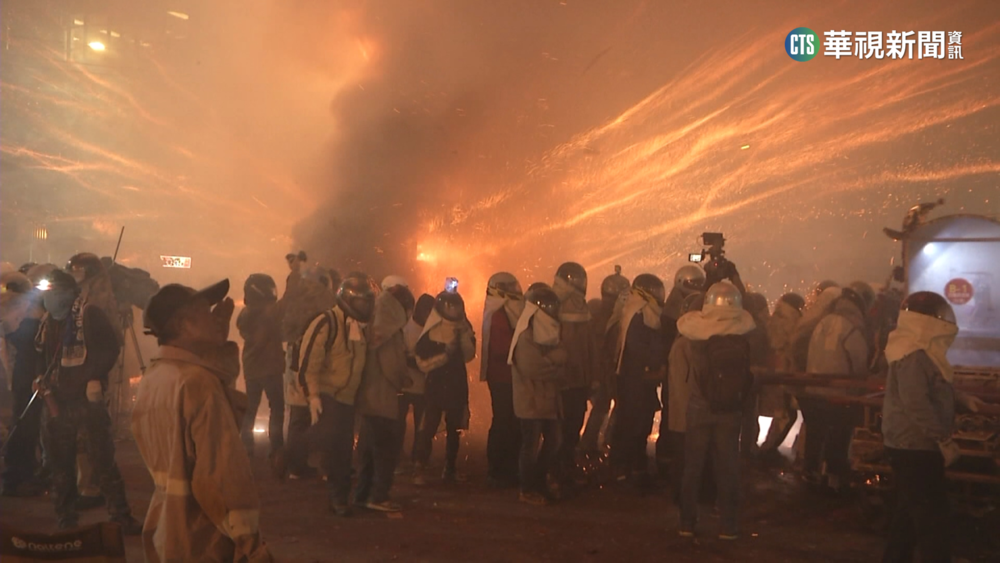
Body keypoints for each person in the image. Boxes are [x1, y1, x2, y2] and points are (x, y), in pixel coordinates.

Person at [132, 279, 271, 561]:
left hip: (167, 529)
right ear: (185, 326)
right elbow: (221, 477)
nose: (215, 316)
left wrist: (217, 347)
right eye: (205, 313)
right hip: (203, 537)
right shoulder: (198, 384)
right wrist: (251, 545)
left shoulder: (156, 376)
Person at [35, 269, 142, 533]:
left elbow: (109, 349)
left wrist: (92, 378)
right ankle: (66, 519)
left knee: (102, 460)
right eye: (47, 294)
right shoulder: (49, 320)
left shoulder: (89, 313)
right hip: (57, 403)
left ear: (71, 292)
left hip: (86, 401)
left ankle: (121, 516)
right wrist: (40, 380)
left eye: (55, 293)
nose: (51, 299)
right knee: (60, 466)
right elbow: (42, 356)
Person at [881, 292, 981, 563]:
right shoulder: (912, 354)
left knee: (909, 515)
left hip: (912, 445)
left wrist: (960, 399)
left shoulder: (918, 350)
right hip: (915, 447)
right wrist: (943, 439)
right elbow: (917, 403)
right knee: (931, 518)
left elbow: (931, 388)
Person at [677, 281, 755, 540]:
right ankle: (728, 526)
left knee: (693, 466)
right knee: (728, 467)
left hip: (700, 406)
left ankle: (687, 522)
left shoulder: (695, 334)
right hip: (730, 410)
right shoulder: (741, 333)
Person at [299, 273, 374, 516]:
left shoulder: (360, 328)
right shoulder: (327, 322)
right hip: (328, 394)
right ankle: (337, 497)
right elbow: (308, 362)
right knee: (335, 446)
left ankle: (339, 498)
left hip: (347, 399)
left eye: (367, 302)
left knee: (340, 449)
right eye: (361, 302)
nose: (365, 307)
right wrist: (312, 396)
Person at [354, 277, 414, 512]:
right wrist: (404, 378)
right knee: (385, 449)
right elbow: (392, 366)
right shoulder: (389, 332)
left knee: (369, 450)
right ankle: (379, 496)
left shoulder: (374, 323)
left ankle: (363, 494)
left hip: (369, 397)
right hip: (382, 397)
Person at [800, 288, 870, 490]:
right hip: (839, 394)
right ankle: (834, 477)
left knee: (816, 433)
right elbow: (859, 363)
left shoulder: (822, 322)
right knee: (839, 434)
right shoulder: (851, 327)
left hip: (813, 391)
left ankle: (810, 471)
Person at [509, 284, 567, 505]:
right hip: (531, 401)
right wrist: (556, 366)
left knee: (554, 441)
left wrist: (552, 362)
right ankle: (527, 488)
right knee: (530, 447)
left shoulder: (550, 333)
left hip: (548, 400)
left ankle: (539, 482)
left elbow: (563, 353)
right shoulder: (525, 336)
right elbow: (534, 367)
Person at [609, 274, 666, 491]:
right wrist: (658, 362)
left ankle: (634, 469)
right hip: (634, 381)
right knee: (631, 425)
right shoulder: (638, 315)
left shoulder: (643, 313)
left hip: (638, 380)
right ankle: (623, 470)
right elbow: (638, 348)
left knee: (639, 425)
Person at [413, 290, 476, 485]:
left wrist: (463, 336)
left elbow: (469, 355)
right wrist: (445, 355)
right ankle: (419, 466)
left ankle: (450, 468)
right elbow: (422, 362)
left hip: (456, 384)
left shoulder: (464, 328)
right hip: (436, 385)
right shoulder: (431, 331)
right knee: (428, 426)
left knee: (454, 428)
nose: (455, 312)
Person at [551, 262, 596, 493]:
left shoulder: (581, 308)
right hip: (565, 380)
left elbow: (588, 347)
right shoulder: (554, 305)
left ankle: (564, 470)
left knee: (571, 428)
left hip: (575, 380)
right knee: (562, 430)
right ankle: (556, 473)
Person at [656, 265, 707, 470]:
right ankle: (668, 461)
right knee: (673, 415)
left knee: (677, 417)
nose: (696, 287)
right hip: (675, 371)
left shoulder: (681, 307)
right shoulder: (670, 314)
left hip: (680, 371)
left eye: (698, 283)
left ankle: (674, 463)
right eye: (691, 283)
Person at [1, 270, 45, 497]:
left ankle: (19, 474)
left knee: (26, 427)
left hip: (27, 377)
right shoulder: (25, 314)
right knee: (24, 428)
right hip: (25, 378)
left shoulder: (26, 314)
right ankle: (19, 475)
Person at [481, 272, 525, 488]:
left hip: (507, 375)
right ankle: (498, 469)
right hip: (503, 376)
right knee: (504, 421)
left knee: (510, 421)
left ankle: (505, 468)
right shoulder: (499, 312)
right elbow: (502, 348)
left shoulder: (504, 309)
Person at [580, 267, 629, 455]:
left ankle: (593, 442)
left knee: (603, 407)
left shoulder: (592, 310)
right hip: (604, 371)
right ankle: (595, 443)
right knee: (604, 406)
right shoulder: (613, 318)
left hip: (597, 371)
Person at [237, 274, 285, 462]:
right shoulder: (268, 312)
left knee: (250, 409)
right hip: (271, 368)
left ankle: (246, 448)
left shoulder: (245, 314)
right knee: (277, 408)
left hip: (252, 368)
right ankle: (276, 448)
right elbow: (285, 304)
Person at [665, 291, 705, 499]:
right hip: (685, 416)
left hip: (688, 414)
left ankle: (684, 495)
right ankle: (680, 495)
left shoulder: (687, 342)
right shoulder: (684, 345)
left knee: (687, 456)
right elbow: (681, 386)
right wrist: (692, 413)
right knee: (683, 457)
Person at [758, 292, 805, 460]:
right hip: (783, 375)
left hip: (771, 373)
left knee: (781, 414)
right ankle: (767, 450)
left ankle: (765, 448)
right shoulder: (793, 322)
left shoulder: (774, 319)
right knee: (785, 414)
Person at [398, 294, 434, 468]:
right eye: (425, 311)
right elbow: (399, 355)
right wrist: (417, 362)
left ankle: (418, 459)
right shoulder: (406, 329)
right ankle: (397, 456)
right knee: (398, 424)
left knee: (422, 426)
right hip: (405, 384)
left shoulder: (432, 330)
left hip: (423, 387)